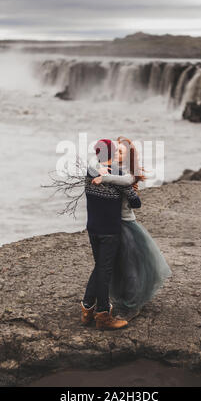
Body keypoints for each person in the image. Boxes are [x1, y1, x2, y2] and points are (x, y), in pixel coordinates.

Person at [90, 136, 172, 321]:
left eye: (120, 152)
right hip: (109, 225)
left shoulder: (125, 175)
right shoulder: (107, 169)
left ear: (127, 158)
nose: (115, 154)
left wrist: (104, 178)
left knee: (129, 266)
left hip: (126, 225)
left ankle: (132, 304)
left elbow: (128, 186)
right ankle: (105, 300)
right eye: (115, 150)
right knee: (111, 265)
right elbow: (91, 170)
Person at [80, 138, 141, 330]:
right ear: (113, 153)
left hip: (92, 228)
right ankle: (103, 315)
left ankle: (87, 307)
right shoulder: (119, 175)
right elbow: (136, 202)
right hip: (109, 231)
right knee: (105, 270)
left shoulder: (90, 172)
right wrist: (128, 189)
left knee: (100, 267)